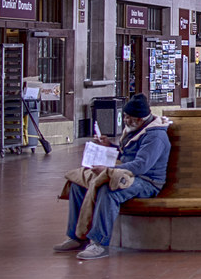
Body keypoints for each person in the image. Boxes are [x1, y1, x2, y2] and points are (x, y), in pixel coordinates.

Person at [53, 93, 171, 260]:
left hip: (147, 181)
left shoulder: (155, 136)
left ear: (142, 118)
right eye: (125, 116)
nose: (127, 121)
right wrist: (110, 146)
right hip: (126, 173)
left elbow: (141, 165)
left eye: (131, 118)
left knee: (109, 189)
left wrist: (109, 169)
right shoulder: (135, 129)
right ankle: (76, 236)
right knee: (77, 184)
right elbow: (127, 154)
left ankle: (100, 242)